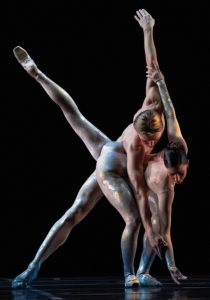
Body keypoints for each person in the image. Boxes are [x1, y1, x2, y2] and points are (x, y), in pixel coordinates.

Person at [11, 9, 187, 288]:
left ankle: (142, 270)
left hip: (110, 147)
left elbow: (152, 65)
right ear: (137, 129)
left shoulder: (156, 106)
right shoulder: (134, 147)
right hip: (112, 165)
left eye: (153, 140)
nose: (150, 144)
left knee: (148, 217)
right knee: (129, 218)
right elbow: (140, 192)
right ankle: (126, 274)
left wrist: (148, 30)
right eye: (145, 140)